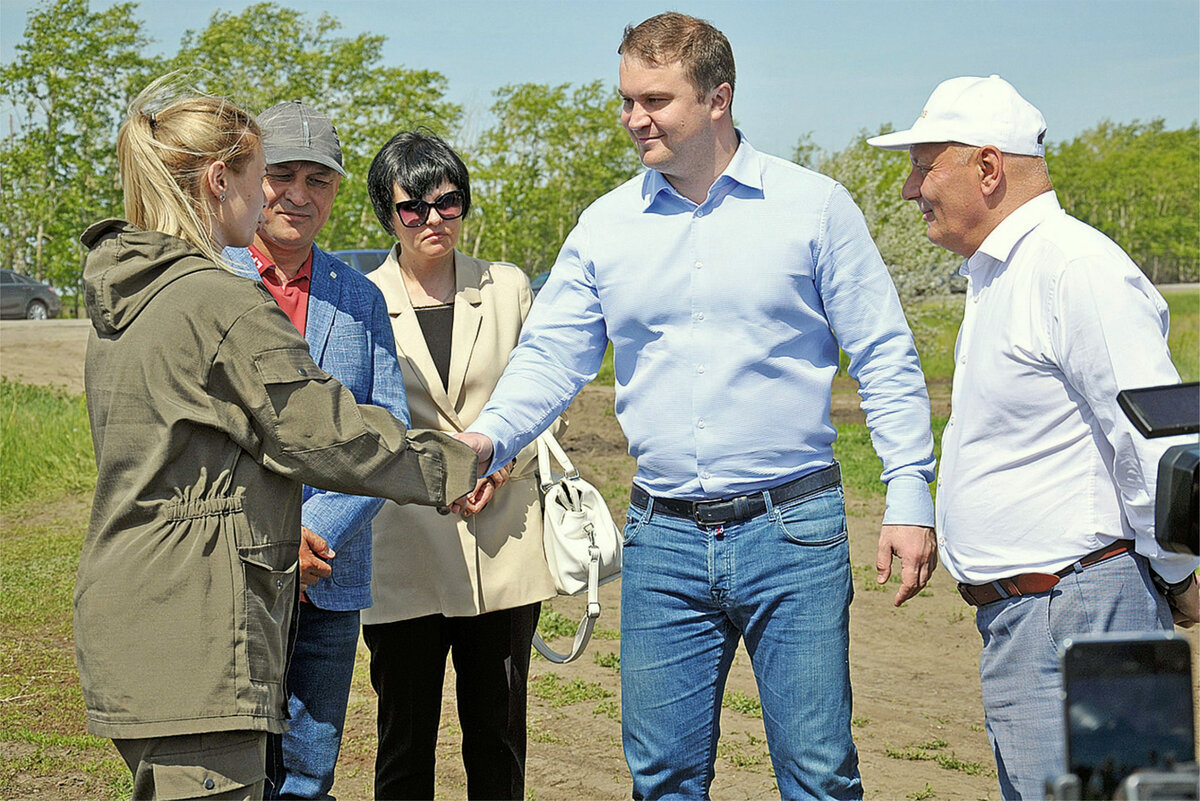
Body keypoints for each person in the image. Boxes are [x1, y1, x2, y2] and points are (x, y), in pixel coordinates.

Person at [456, 13, 938, 800]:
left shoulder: (814, 208)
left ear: (718, 98)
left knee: (818, 774)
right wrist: (488, 436)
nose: (633, 118)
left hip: (794, 530)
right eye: (625, 99)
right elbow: (551, 355)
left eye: (655, 99)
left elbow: (884, 352)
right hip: (663, 537)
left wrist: (910, 492)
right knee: (663, 777)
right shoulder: (607, 226)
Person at [74, 77, 475, 801]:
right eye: (264, 179)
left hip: (150, 611)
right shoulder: (216, 297)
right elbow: (325, 430)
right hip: (204, 612)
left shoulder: (133, 289)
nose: (273, 199)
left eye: (311, 179)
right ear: (220, 180)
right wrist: (462, 462)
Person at [867, 74, 1200, 799]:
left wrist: (1179, 575)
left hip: (1082, 612)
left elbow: (1155, 439)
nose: (908, 188)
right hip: (1045, 616)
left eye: (924, 165)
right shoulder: (1003, 272)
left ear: (988, 168)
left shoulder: (1073, 267)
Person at [359, 130, 561, 801]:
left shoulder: (507, 288)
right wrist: (432, 476)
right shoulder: (362, 300)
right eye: (412, 208)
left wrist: (500, 462)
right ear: (388, 214)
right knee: (405, 744)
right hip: (404, 548)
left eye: (448, 203)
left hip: (500, 547)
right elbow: (357, 420)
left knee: (497, 739)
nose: (432, 220)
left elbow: (546, 399)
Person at [222, 101, 407, 799]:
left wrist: (315, 534)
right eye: (281, 174)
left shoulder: (358, 297)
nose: (298, 194)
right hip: (230, 564)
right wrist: (273, 538)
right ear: (247, 177)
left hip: (328, 574)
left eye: (318, 178)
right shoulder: (208, 280)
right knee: (230, 760)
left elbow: (386, 433)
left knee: (308, 766)